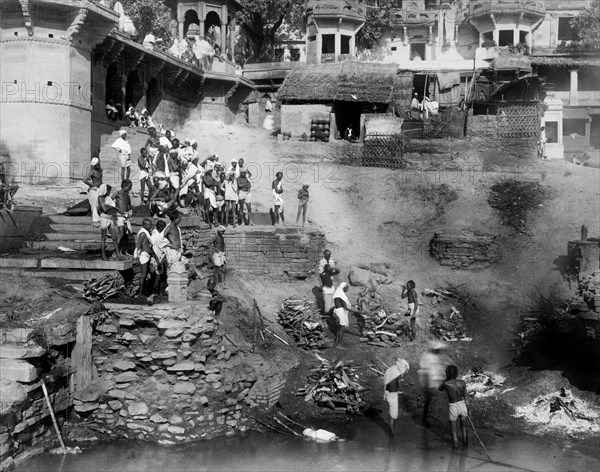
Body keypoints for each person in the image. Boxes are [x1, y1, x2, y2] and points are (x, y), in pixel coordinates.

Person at [439, 365, 469, 449]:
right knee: (464, 428)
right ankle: (465, 446)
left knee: (454, 431)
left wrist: (446, 378)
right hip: (462, 406)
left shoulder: (446, 384)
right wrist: (468, 410)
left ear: (447, 373)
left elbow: (440, 388)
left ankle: (455, 448)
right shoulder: (462, 382)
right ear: (456, 373)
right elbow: (466, 397)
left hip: (453, 407)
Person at [419, 340, 447, 427]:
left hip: (433, 382)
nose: (439, 351)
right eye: (438, 349)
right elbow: (426, 372)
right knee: (428, 401)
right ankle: (424, 420)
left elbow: (435, 370)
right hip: (428, 383)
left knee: (430, 401)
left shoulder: (434, 356)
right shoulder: (428, 357)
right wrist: (427, 385)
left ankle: (426, 419)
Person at [383, 358, 410, 437]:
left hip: (387, 393)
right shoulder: (398, 373)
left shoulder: (391, 369)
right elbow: (399, 385)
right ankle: (391, 435)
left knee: (391, 414)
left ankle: (391, 432)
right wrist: (402, 390)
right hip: (392, 395)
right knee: (393, 416)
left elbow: (386, 381)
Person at [332, 282, 362, 350]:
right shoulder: (340, 295)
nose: (347, 289)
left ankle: (336, 343)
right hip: (340, 312)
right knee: (342, 328)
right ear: (344, 288)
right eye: (347, 288)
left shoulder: (338, 294)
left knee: (340, 328)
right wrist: (357, 311)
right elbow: (345, 307)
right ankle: (338, 344)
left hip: (339, 311)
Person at [97, 184, 122, 261]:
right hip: (104, 218)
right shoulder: (100, 198)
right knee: (103, 237)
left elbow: (108, 207)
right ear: (105, 190)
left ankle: (118, 255)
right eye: (109, 190)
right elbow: (104, 209)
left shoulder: (108, 198)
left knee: (114, 237)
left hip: (110, 218)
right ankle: (103, 255)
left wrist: (108, 206)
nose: (109, 192)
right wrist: (112, 207)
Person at [134, 218, 154, 297]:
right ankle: (140, 293)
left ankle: (144, 292)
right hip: (143, 255)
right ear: (144, 225)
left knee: (146, 275)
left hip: (147, 255)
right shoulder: (142, 233)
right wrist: (138, 257)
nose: (150, 226)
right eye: (148, 225)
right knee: (143, 275)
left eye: (150, 224)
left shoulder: (147, 233)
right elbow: (139, 245)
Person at [113, 179, 133, 255]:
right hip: (119, 216)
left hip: (126, 216)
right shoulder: (117, 193)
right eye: (129, 187)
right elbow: (109, 202)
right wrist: (117, 209)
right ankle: (115, 252)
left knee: (126, 235)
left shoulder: (127, 195)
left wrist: (130, 211)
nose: (130, 188)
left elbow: (129, 205)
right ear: (124, 186)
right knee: (121, 234)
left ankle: (124, 251)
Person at [83, 157, 103, 227]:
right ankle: (95, 221)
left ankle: (98, 219)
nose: (98, 165)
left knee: (99, 204)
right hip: (94, 189)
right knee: (94, 205)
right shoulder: (93, 172)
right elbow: (85, 180)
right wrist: (92, 185)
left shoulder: (100, 170)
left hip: (99, 188)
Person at [151, 220, 168, 295]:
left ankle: (160, 293)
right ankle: (155, 293)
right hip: (157, 259)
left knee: (163, 277)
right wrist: (158, 261)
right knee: (157, 277)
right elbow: (153, 250)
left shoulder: (159, 235)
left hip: (162, 258)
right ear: (160, 227)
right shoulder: (154, 236)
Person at [237, 160, 253, 225]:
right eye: (242, 172)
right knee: (241, 207)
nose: (243, 173)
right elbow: (239, 185)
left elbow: (249, 185)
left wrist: (245, 184)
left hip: (246, 193)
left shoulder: (246, 178)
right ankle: (242, 222)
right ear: (240, 173)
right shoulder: (238, 178)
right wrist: (245, 184)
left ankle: (249, 222)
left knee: (249, 207)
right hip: (241, 193)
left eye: (244, 172)